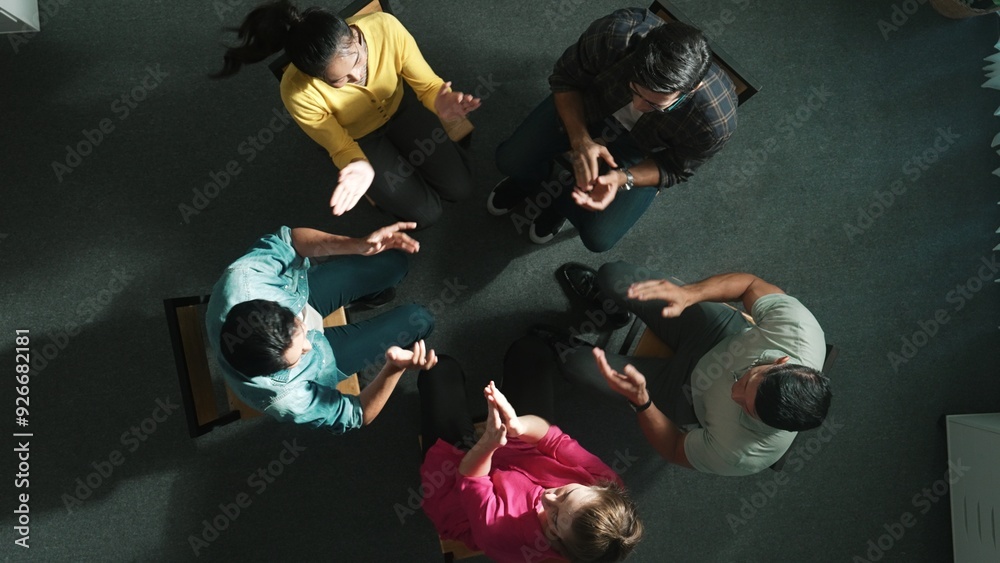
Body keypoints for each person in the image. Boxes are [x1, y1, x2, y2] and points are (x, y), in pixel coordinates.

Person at [214, 0, 480, 227]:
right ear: (316, 76)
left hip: (402, 107)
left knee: (462, 188)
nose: (357, 77)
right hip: (361, 138)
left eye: (357, 60)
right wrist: (357, 164)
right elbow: (340, 147)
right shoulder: (296, 91)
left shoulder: (385, 27)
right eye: (339, 80)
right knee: (427, 215)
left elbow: (428, 85)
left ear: (354, 36)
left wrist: (438, 100)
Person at [491, 8, 737, 251]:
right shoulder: (616, 33)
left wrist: (624, 178)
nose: (638, 106)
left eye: (655, 104)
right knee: (510, 161)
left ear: (690, 91)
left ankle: (561, 205)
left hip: (640, 147)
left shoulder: (714, 122)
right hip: (590, 106)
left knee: (599, 238)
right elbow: (565, 78)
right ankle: (530, 181)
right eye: (634, 88)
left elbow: (675, 167)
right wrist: (580, 139)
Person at [553, 262, 831, 476]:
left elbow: (674, 448)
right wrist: (689, 294)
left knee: (574, 364)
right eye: (747, 381)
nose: (734, 393)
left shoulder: (744, 454)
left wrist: (643, 403)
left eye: (746, 408)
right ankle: (609, 309)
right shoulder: (799, 330)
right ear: (781, 362)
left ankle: (558, 345)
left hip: (684, 395)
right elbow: (750, 285)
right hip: (717, 335)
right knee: (614, 276)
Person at [418, 338, 643, 562]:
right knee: (530, 349)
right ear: (601, 488)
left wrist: (488, 444)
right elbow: (554, 440)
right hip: (522, 452)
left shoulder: (501, 533)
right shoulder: (608, 483)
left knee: (438, 370)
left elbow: (469, 476)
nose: (549, 498)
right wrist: (518, 425)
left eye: (554, 520)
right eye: (566, 493)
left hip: (462, 484)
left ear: (560, 544)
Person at [206, 222, 437, 433]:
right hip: (326, 360)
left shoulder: (245, 279)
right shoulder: (287, 398)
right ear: (276, 371)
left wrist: (357, 245)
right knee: (420, 319)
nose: (308, 343)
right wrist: (394, 368)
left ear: (272, 305)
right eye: (297, 357)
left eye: (297, 328)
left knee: (395, 262)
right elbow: (358, 414)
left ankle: (370, 295)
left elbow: (291, 241)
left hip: (302, 296)